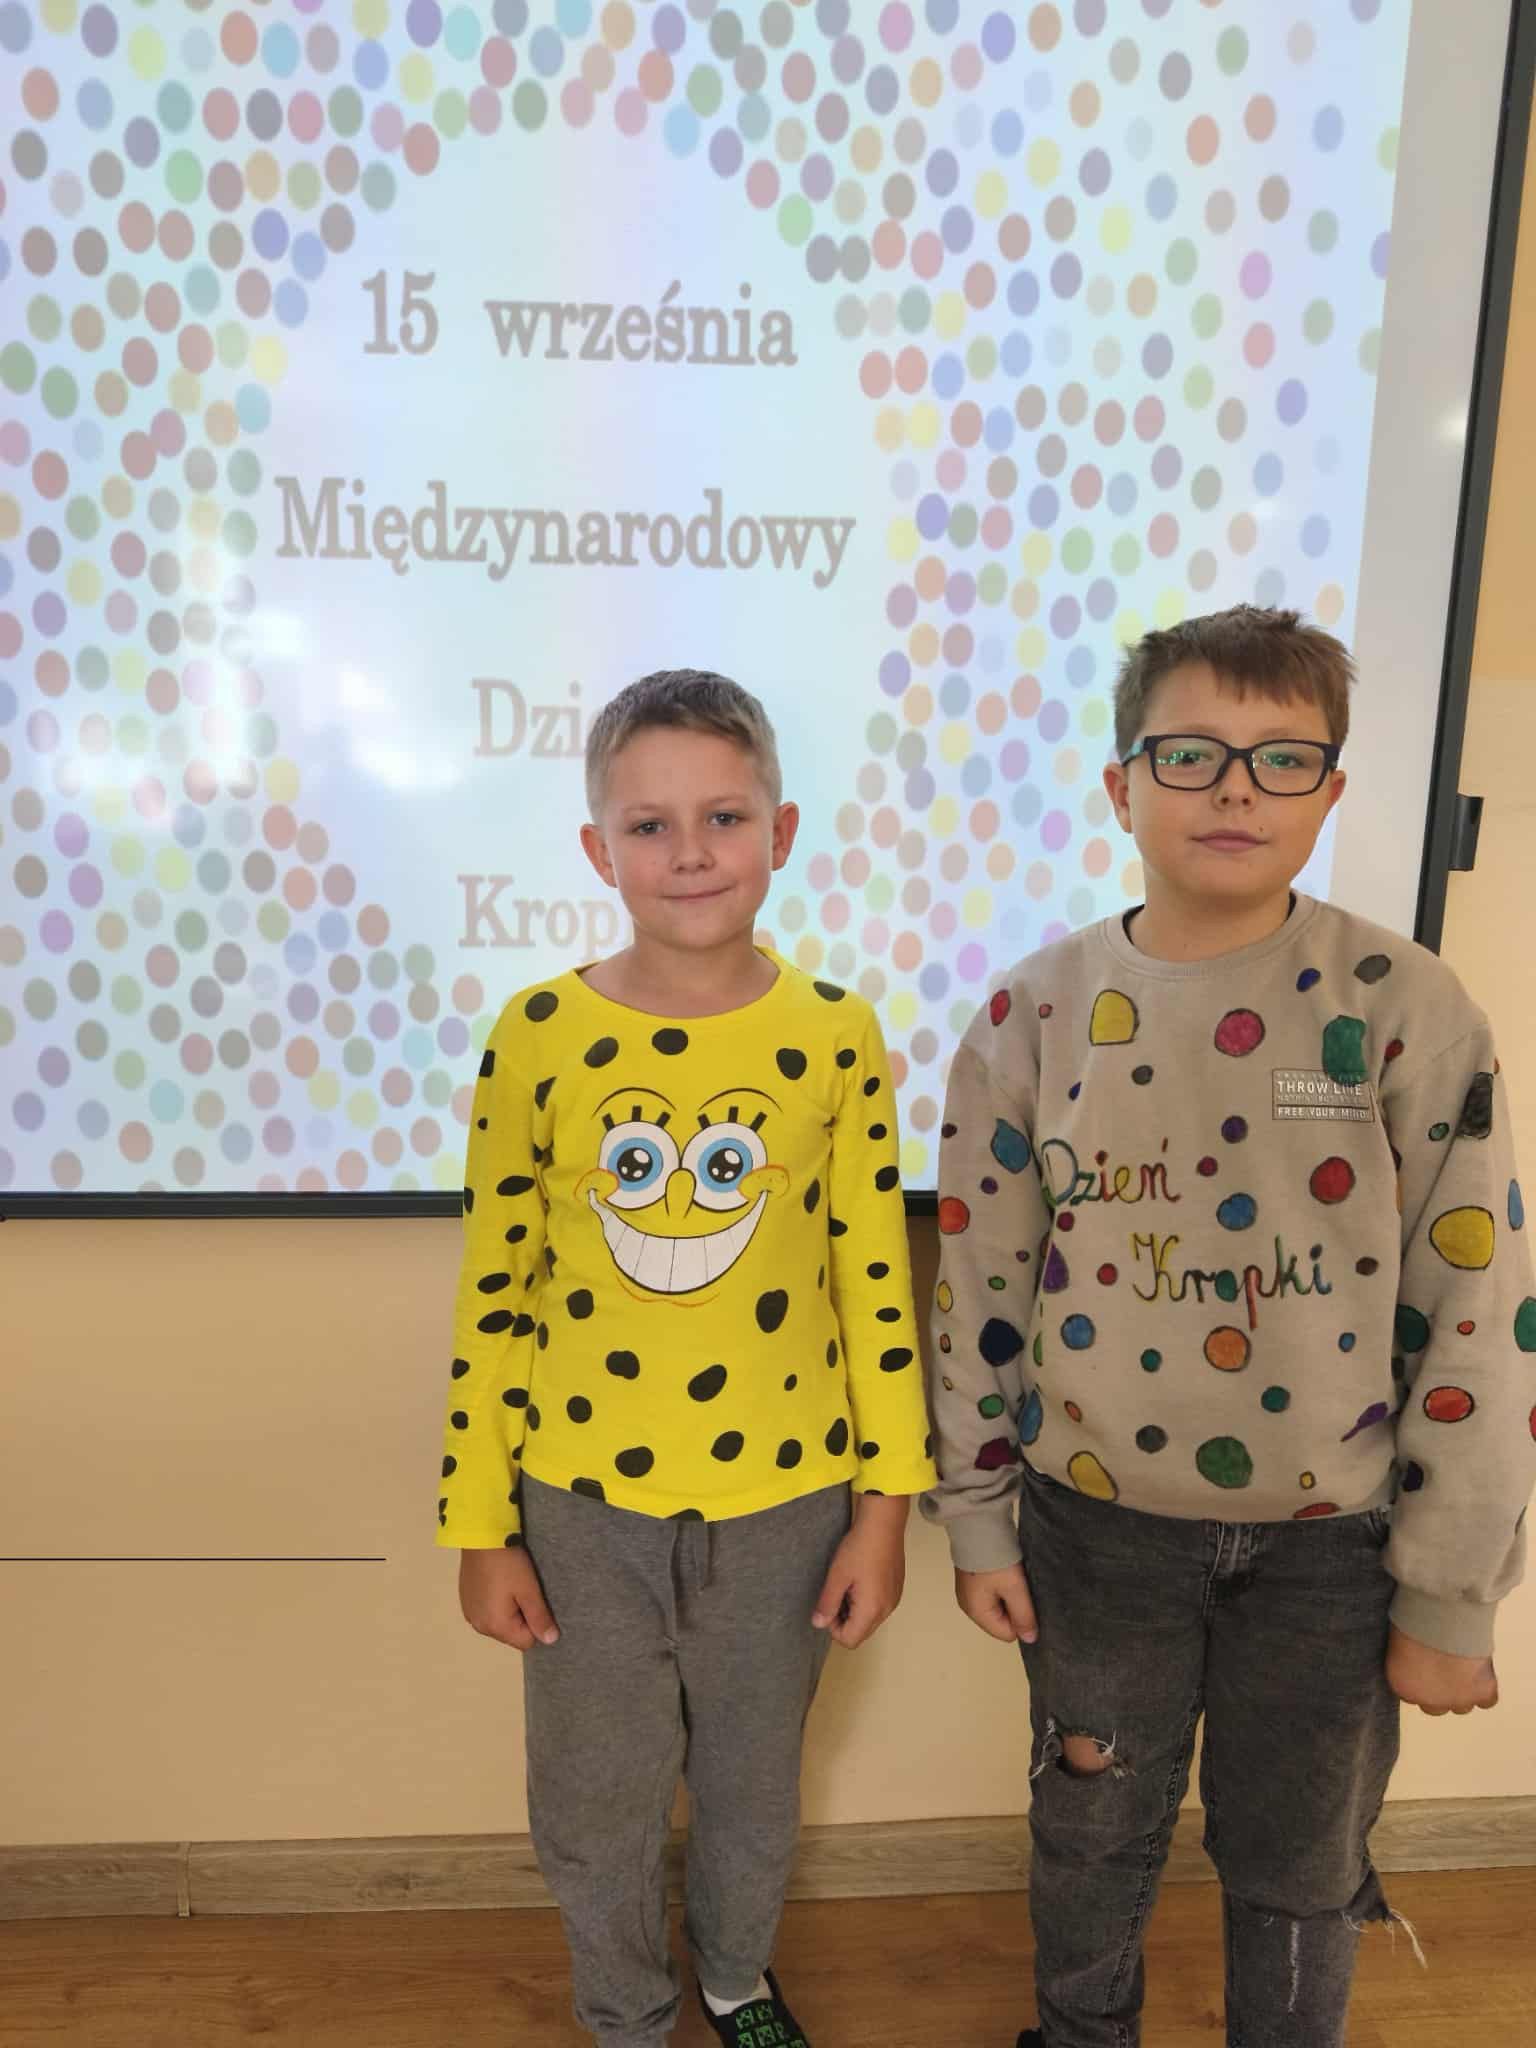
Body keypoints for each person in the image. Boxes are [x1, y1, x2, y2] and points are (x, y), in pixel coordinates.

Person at [922, 606, 1535, 2048]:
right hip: (1096, 1537)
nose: (1236, 789)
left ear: (1332, 791)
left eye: (1282, 759)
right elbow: (982, 1289)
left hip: (1335, 1552)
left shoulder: (1407, 1006)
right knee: (1090, 1830)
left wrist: (1451, 1595)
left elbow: (1479, 1315)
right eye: (1191, 753)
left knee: (1302, 1860)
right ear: (1122, 785)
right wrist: (978, 1520)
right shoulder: (1031, 1014)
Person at [438, 668, 935, 2048]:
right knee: (594, 1796)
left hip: (791, 1507)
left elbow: (873, 1286)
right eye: (649, 825)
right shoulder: (537, 1035)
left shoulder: (835, 1033)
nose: (691, 852)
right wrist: (480, 1527)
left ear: (783, 832)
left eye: (724, 816)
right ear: (598, 851)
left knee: (753, 1791)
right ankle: (625, 2010)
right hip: (580, 1510)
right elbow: (495, 1295)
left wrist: (886, 1511)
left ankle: (733, 1980)